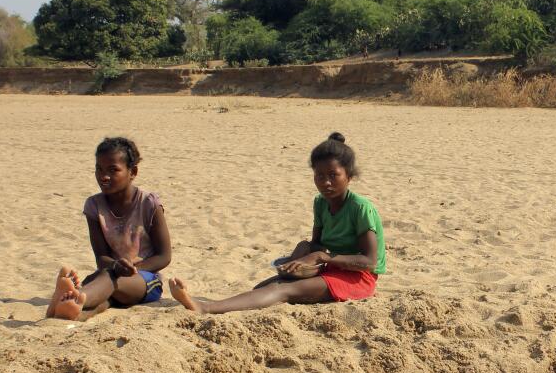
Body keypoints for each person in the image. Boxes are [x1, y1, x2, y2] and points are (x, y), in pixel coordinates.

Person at [170, 132, 385, 314]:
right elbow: (317, 245)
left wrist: (321, 256)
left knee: (283, 291)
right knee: (264, 286)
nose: (326, 182)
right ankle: (214, 305)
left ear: (349, 176)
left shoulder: (360, 208)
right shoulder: (320, 203)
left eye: (333, 175)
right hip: (332, 268)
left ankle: (205, 308)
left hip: (358, 278)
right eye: (319, 175)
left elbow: (369, 261)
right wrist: (303, 253)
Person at [45, 137, 172, 320]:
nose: (104, 176)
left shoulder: (149, 203)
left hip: (145, 281)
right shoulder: (94, 206)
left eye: (113, 170)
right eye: (99, 169)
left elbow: (164, 256)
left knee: (107, 282)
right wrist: (115, 266)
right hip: (109, 274)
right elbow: (101, 257)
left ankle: (78, 297)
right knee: (102, 298)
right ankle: (64, 312)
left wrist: (133, 269)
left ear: (132, 172)